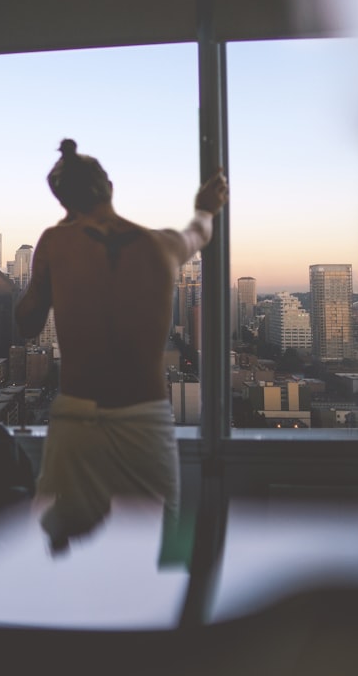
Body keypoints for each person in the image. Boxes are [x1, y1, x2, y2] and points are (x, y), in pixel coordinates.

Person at [15, 138, 228, 554]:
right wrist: (205, 205)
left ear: (63, 200)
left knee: (61, 548)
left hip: (77, 420)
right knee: (154, 551)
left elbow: (27, 324)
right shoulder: (161, 246)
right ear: (108, 186)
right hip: (144, 421)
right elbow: (200, 230)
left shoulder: (56, 243)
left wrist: (52, 259)